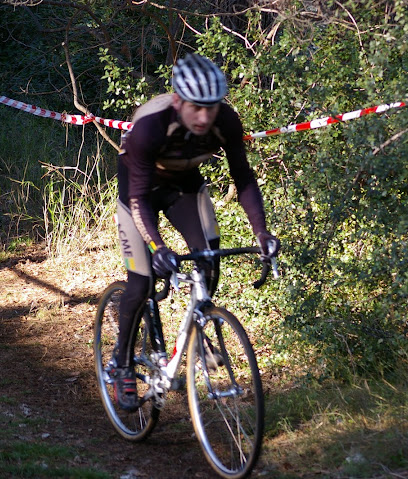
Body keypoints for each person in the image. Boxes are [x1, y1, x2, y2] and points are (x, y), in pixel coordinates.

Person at [112, 53, 280, 411]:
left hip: (185, 187)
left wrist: (262, 232)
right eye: (196, 109)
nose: (205, 118)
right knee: (140, 281)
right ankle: (122, 363)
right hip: (138, 192)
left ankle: (193, 334)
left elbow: (244, 177)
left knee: (208, 261)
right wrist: (157, 245)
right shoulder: (150, 128)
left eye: (212, 108)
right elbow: (139, 198)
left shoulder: (226, 122)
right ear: (178, 101)